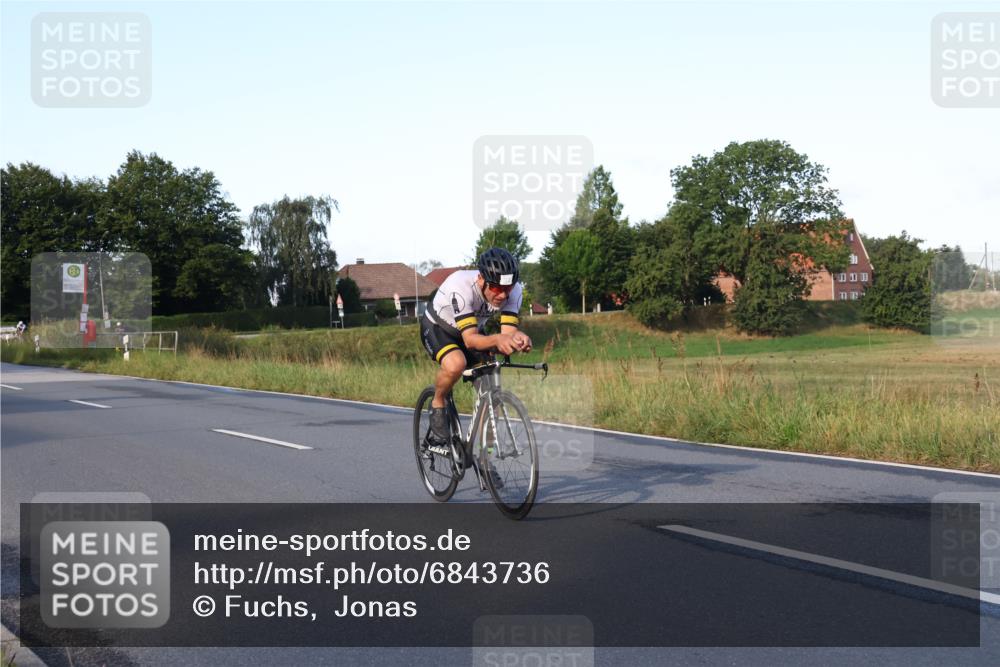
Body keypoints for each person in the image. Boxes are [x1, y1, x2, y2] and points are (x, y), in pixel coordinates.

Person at [420, 248, 533, 450]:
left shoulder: (514, 291)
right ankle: (437, 402)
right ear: (481, 279)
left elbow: (508, 332)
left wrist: (519, 338)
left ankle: (485, 461)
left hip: (474, 330)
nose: (502, 295)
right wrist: (498, 339)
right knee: (456, 364)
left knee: (492, 399)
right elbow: (470, 341)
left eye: (508, 288)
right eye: (496, 288)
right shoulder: (460, 286)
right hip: (439, 328)